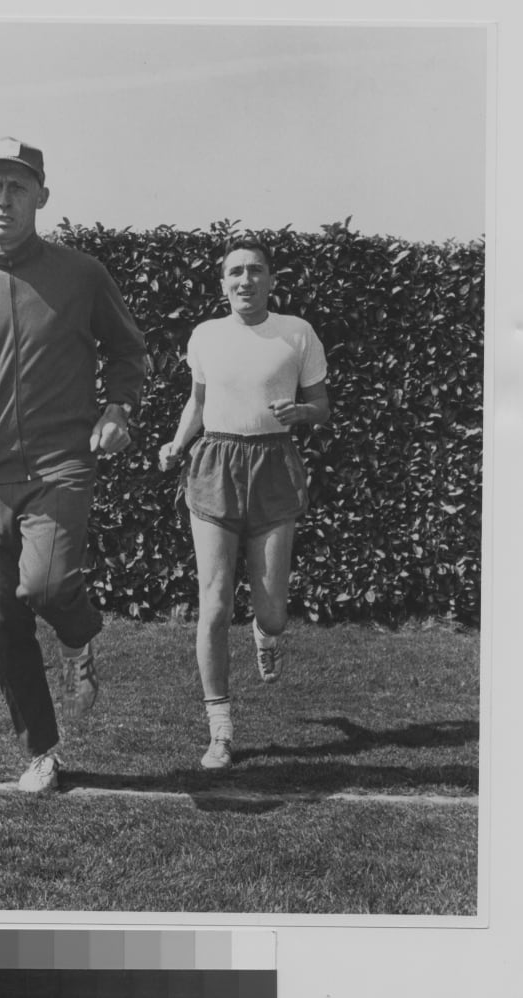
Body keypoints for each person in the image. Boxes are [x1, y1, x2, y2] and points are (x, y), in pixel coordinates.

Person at [0, 136, 147, 792]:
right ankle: (41, 750)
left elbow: (130, 355)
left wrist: (118, 411)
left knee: (43, 585)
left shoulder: (82, 274)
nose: (3, 200)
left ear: (43, 194)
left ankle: (78, 633)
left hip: (59, 466)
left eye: (18, 187)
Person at [159, 235, 329, 770]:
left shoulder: (297, 334)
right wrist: (177, 443)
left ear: (271, 280)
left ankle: (265, 635)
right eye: (235, 272)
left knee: (272, 609)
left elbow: (321, 406)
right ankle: (221, 730)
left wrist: (302, 415)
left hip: (274, 467)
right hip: (215, 465)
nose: (245, 280)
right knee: (213, 604)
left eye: (255, 271)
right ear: (223, 283)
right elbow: (198, 400)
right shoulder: (206, 335)